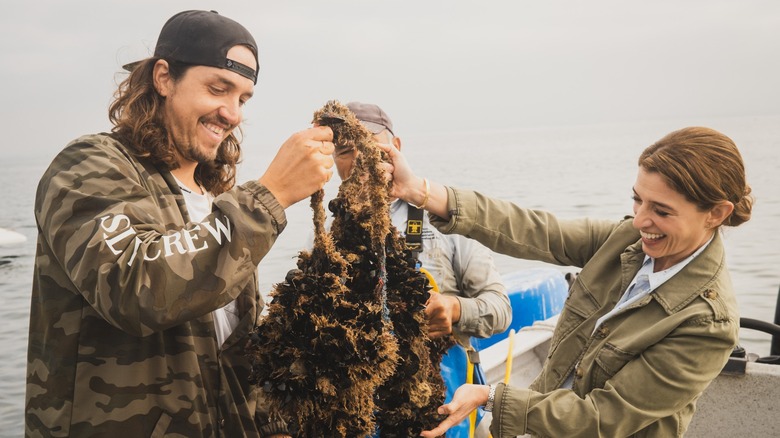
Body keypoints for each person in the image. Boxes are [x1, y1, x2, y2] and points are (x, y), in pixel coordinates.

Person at [25, 10, 333, 437]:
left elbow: (234, 347)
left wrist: (272, 424)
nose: (233, 113)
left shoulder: (219, 202)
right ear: (164, 78)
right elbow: (133, 288)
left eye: (243, 98)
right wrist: (272, 196)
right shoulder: (88, 165)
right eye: (217, 89)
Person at [380, 126, 753, 437]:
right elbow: (537, 231)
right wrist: (421, 192)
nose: (640, 221)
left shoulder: (707, 323)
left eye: (662, 211)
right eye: (638, 200)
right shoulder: (626, 239)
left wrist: (491, 397)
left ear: (716, 214)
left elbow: (602, 416)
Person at [340, 102, 512, 433]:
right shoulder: (327, 235)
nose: (360, 159)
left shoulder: (445, 218)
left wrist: (456, 308)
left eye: (371, 147)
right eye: (347, 150)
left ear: (397, 148)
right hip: (360, 408)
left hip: (443, 403)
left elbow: (500, 309)